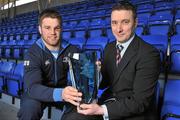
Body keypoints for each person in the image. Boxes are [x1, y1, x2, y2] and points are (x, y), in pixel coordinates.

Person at [77, 2, 161, 120]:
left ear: (135, 23)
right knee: (73, 115)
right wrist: (95, 73)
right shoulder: (109, 48)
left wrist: (102, 110)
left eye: (125, 22)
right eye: (114, 23)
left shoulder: (149, 54)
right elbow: (104, 83)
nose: (118, 29)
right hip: (110, 102)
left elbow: (139, 102)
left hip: (134, 112)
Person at [17, 9, 82, 120]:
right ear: (40, 29)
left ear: (61, 29)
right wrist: (60, 94)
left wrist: (93, 71)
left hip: (65, 91)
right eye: (47, 28)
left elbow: (83, 75)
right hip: (39, 92)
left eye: (56, 28)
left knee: (81, 109)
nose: (52, 32)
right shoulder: (33, 53)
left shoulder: (73, 50)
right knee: (29, 109)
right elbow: (32, 87)